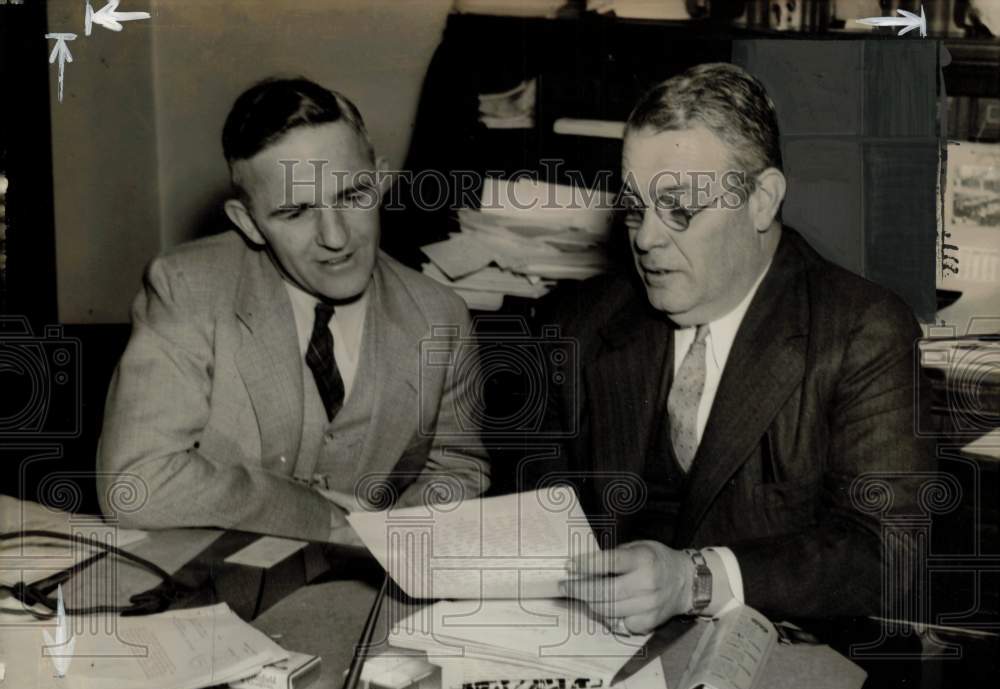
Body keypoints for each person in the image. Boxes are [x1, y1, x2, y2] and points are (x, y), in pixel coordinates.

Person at [527, 63, 935, 630]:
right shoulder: (580, 324)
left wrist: (694, 580)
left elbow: (888, 556)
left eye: (680, 208)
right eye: (636, 207)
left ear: (762, 200)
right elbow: (533, 517)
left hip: (780, 666)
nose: (645, 237)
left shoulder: (863, 332)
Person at [98, 77, 489, 542]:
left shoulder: (439, 315)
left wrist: (388, 536)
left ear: (382, 181)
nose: (336, 238)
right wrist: (316, 515)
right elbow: (134, 485)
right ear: (249, 223)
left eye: (352, 197)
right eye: (295, 212)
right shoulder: (187, 290)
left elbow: (458, 470)